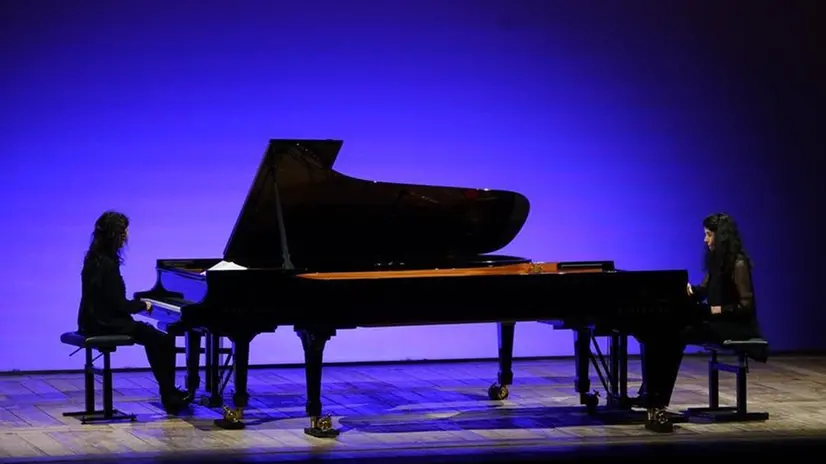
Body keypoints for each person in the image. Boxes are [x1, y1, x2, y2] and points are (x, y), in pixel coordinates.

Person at [636, 212, 766, 432]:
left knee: (677, 335)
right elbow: (703, 290)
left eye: (708, 235)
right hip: (717, 322)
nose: (705, 240)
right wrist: (687, 291)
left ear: (721, 236)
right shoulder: (716, 262)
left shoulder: (739, 263)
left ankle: (657, 400)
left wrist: (717, 309)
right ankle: (652, 396)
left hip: (735, 325)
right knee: (667, 333)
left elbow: (746, 307)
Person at [76, 211, 191, 413]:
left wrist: (137, 305)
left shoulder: (93, 258)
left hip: (91, 320)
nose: (127, 237)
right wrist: (142, 305)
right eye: (124, 232)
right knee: (160, 340)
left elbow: (109, 300)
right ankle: (169, 395)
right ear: (116, 235)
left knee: (152, 336)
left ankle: (169, 392)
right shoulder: (107, 265)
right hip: (105, 323)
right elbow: (119, 304)